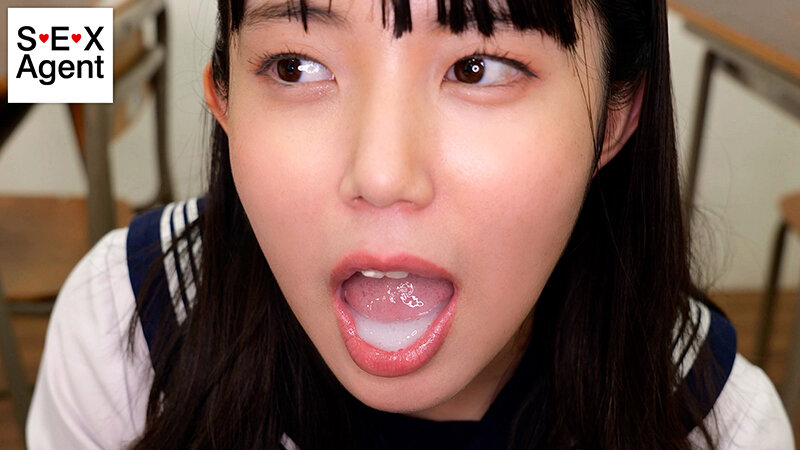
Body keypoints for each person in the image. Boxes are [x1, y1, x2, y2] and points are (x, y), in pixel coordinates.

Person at [26, 0, 794, 448]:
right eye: (295, 65)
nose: (382, 174)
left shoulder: (717, 425)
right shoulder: (124, 333)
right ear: (223, 102)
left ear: (616, 120)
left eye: (478, 67)